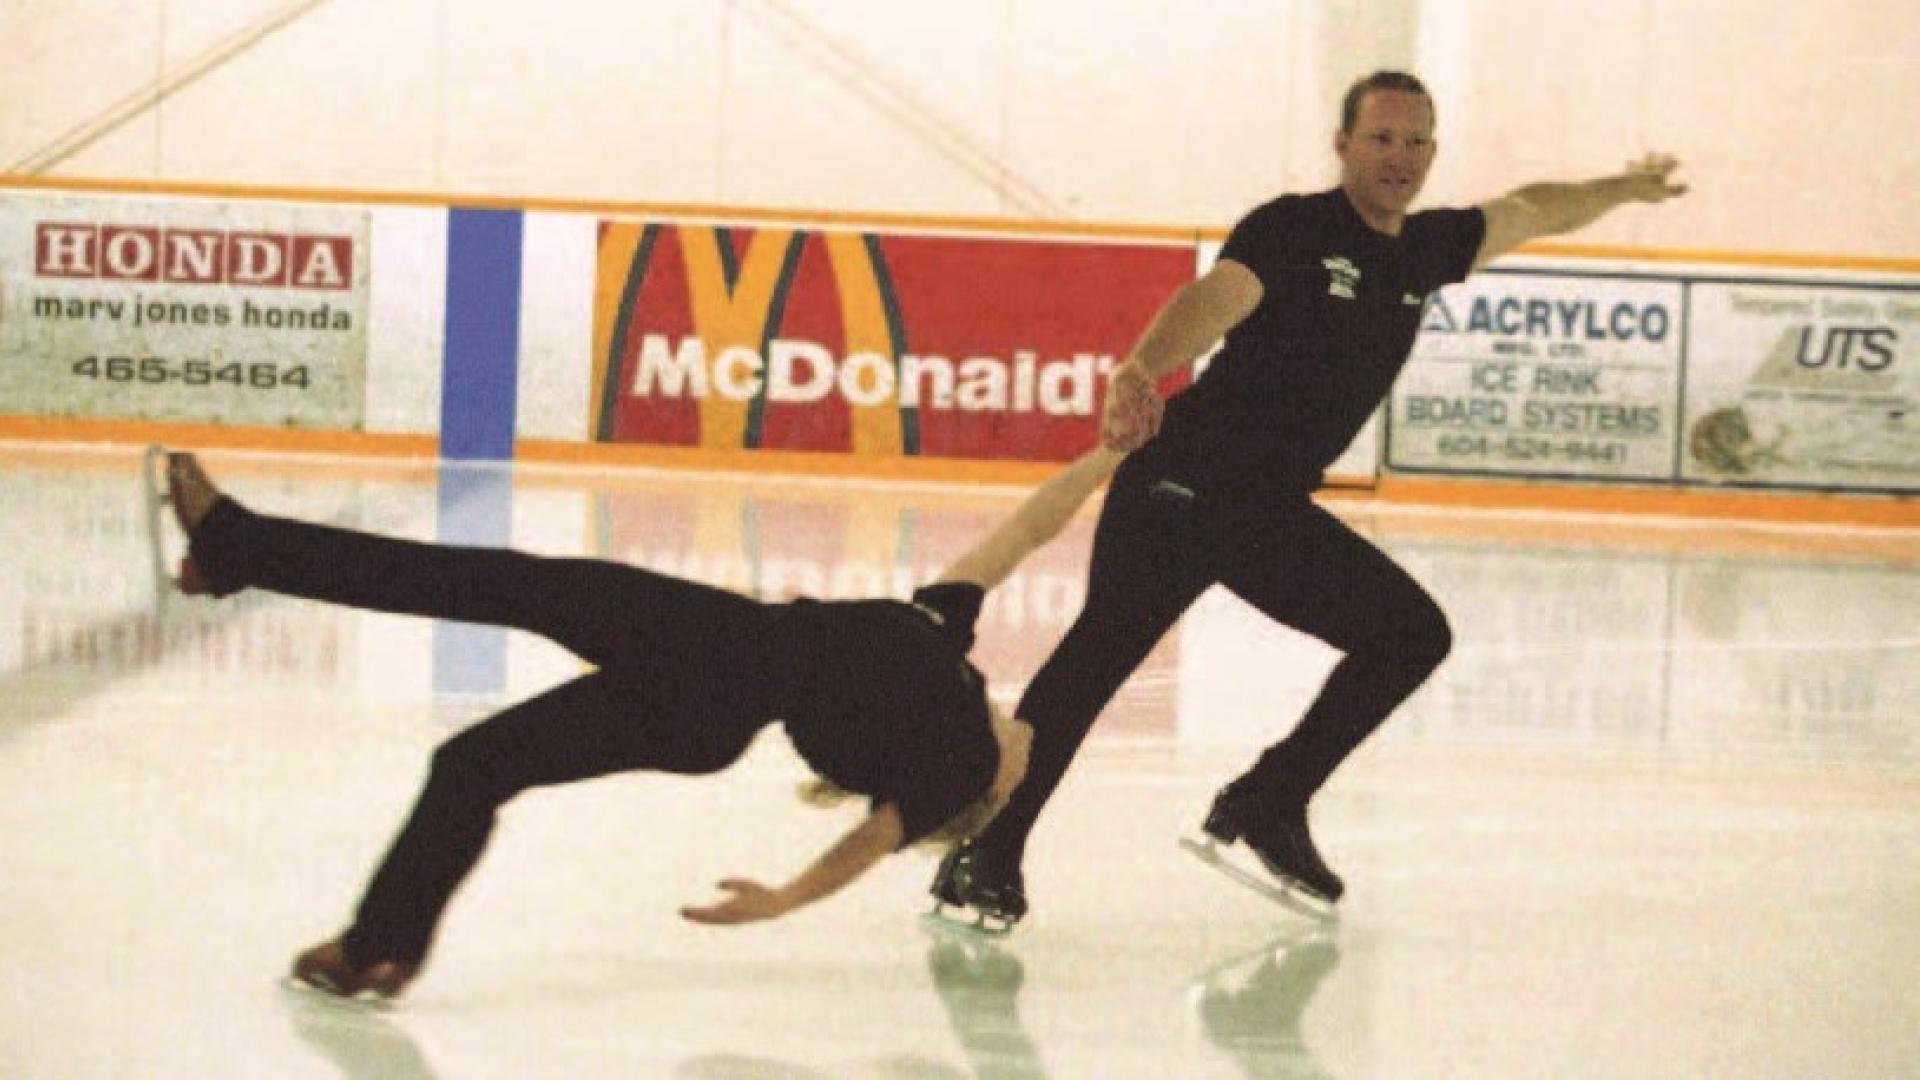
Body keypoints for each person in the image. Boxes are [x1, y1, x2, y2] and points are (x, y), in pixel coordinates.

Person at [930, 70, 1688, 928]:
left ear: (1433, 150)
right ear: (1344, 145)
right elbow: (1211, 303)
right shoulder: (1292, 229)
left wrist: (1627, 186)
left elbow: (1535, 208)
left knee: (1410, 635)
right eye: (1381, 139)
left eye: (1416, 141)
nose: (1399, 157)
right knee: (1095, 662)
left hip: (1264, 511)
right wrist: (1143, 365)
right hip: (1183, 485)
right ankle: (988, 849)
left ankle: (1268, 798)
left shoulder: (1427, 248)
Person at [151, 443, 1121, 1002]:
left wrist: (781, 900)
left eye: (1030, 768)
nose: (1039, 744)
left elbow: (867, 844)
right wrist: (1116, 452)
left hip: (702, 697)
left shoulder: (952, 766)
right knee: (489, 608)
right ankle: (233, 551)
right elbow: (1032, 527)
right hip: (704, 637)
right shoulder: (946, 630)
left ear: (998, 788)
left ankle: (376, 946)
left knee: (473, 751)